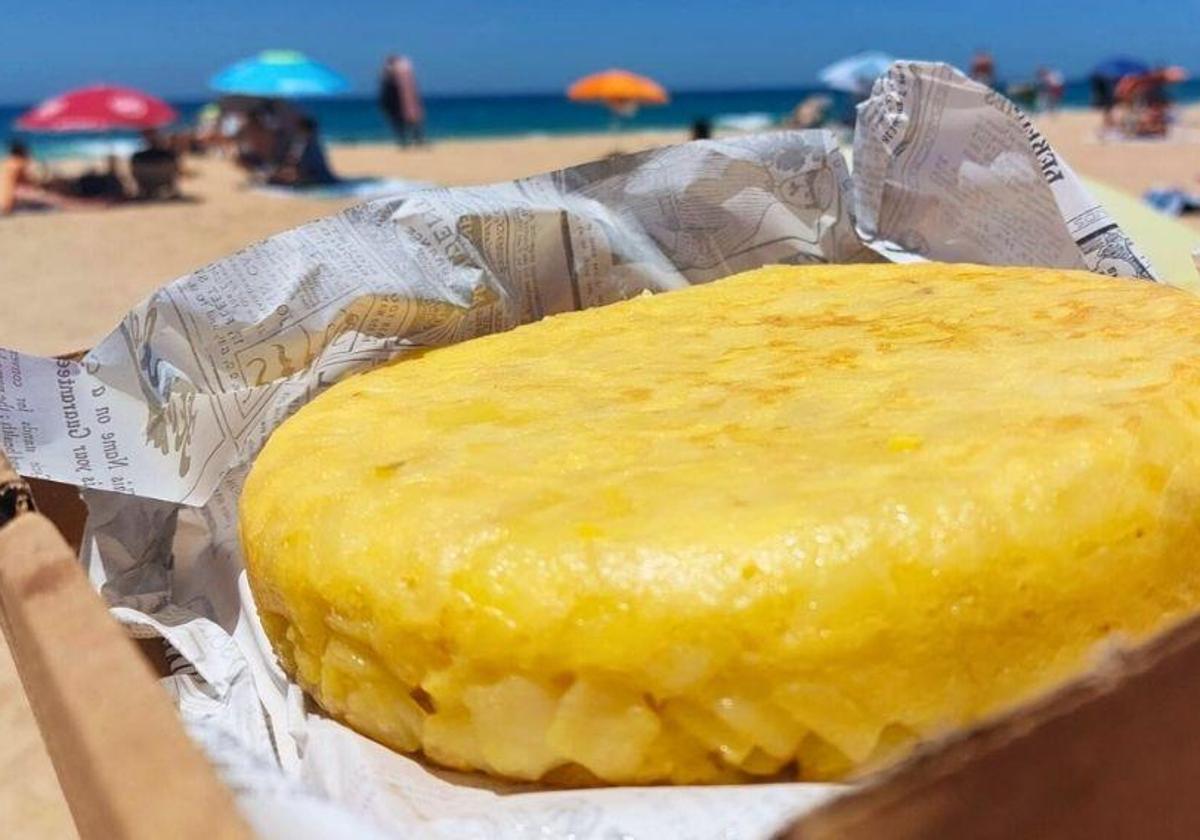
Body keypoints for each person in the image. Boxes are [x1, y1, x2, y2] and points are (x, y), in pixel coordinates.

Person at [270, 116, 337, 186]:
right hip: (306, 171)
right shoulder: (308, 142)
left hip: (304, 172)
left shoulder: (301, 142)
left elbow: (294, 159)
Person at [379, 55, 426, 146]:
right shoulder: (402, 71)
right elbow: (412, 89)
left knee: (400, 123)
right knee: (411, 121)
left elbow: (385, 91)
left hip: (397, 102)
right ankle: (415, 140)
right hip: (402, 101)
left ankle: (407, 141)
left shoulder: (388, 73)